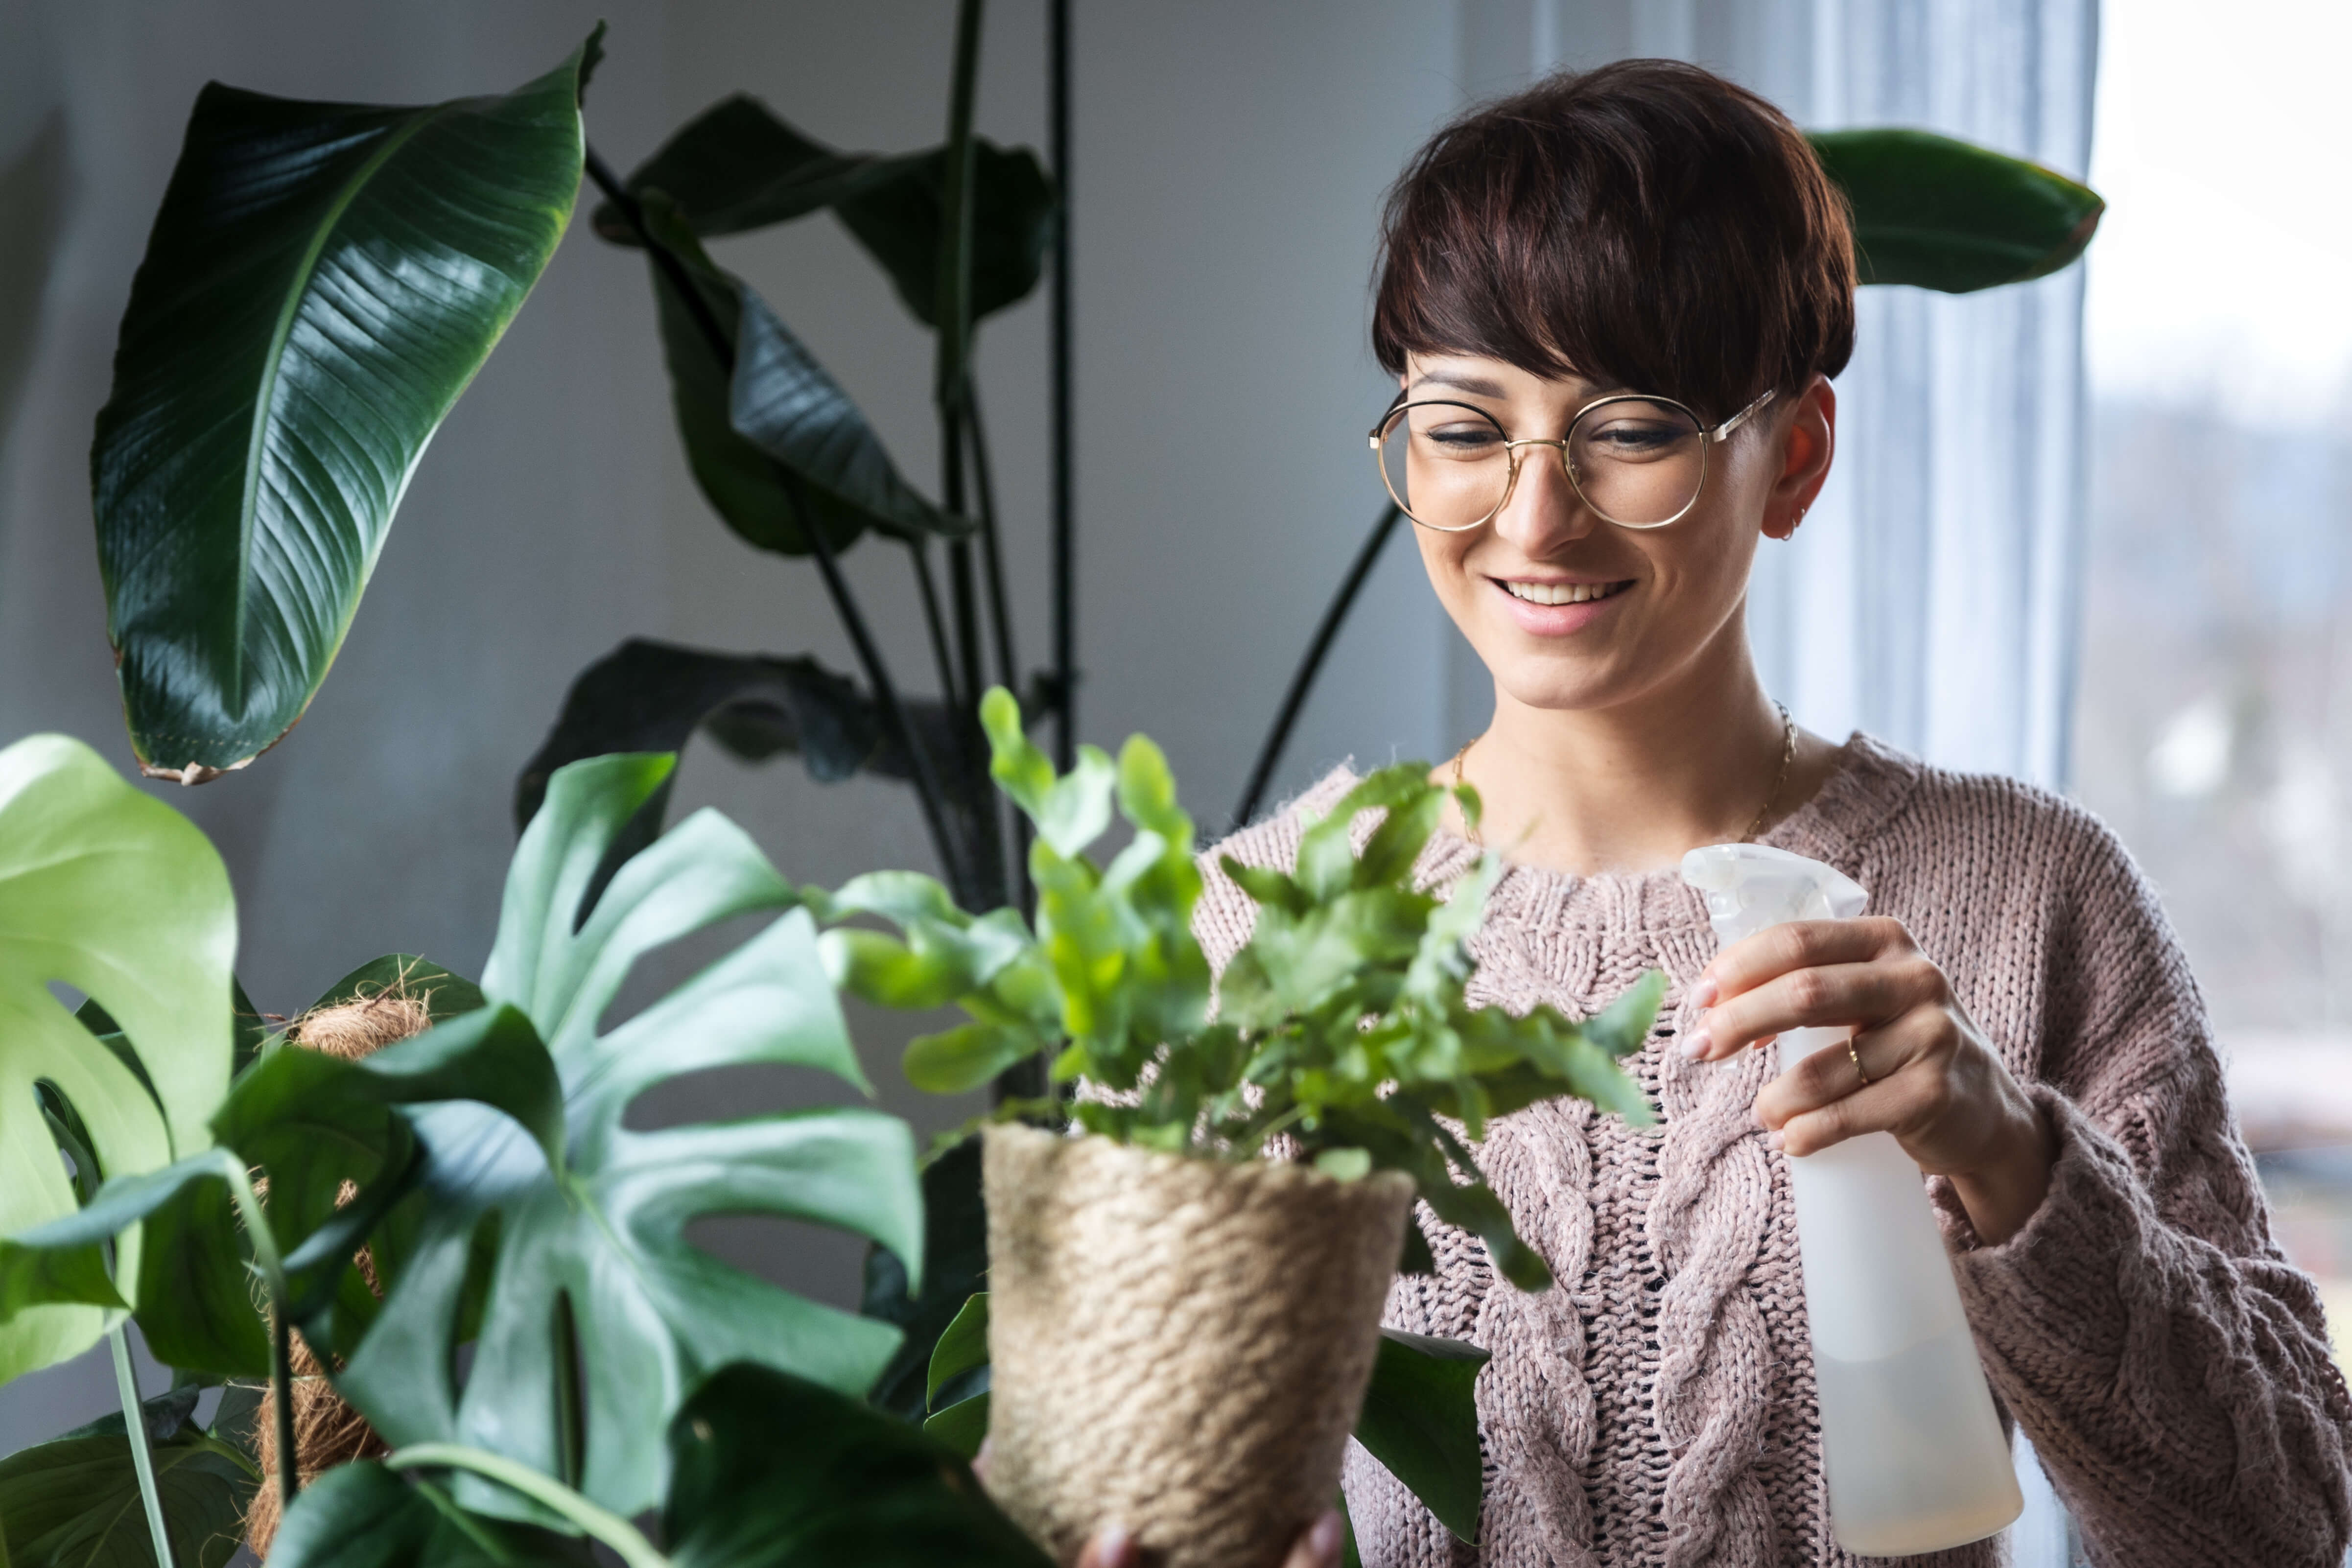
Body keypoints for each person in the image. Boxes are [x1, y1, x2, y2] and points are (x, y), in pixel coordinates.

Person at [1175, 58, 2352, 1568]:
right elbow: (1097, 1489)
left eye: (1632, 427)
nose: (1534, 518)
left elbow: (2282, 1521)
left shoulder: (2028, 893)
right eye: (1465, 428)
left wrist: (2011, 1160)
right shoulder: (1249, 926)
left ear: (1789, 457)